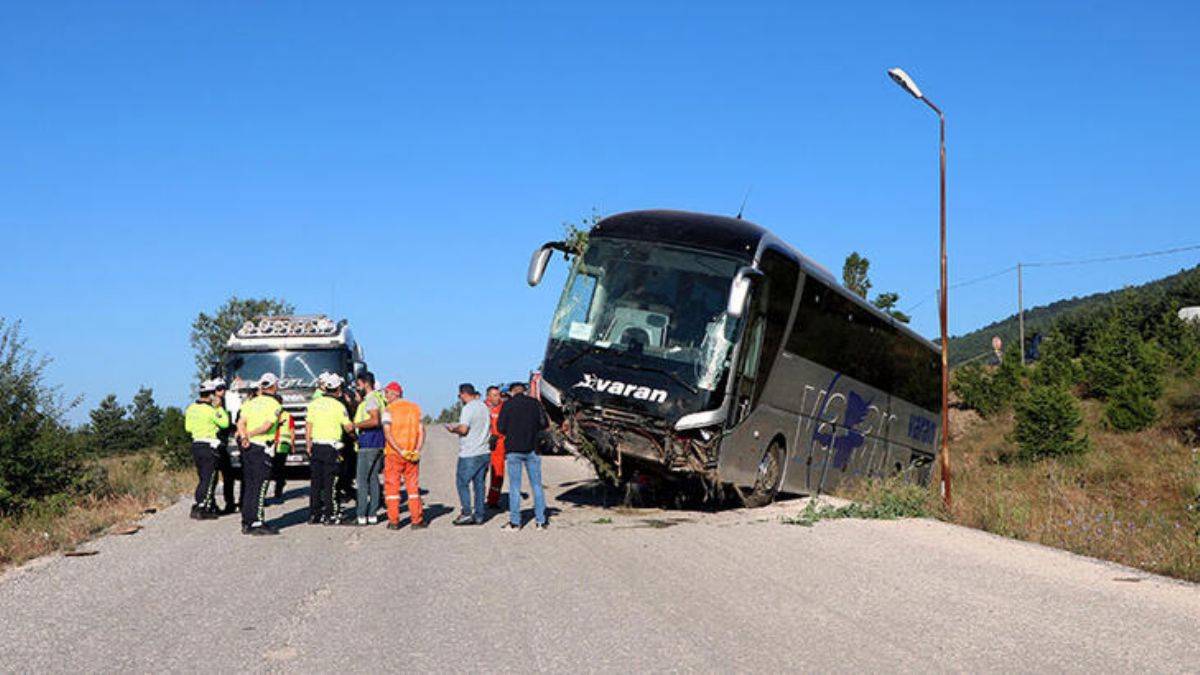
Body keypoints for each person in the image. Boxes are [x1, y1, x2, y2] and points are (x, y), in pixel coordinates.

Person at [235, 373, 285, 535]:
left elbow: (240, 422)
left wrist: (244, 436)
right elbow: (267, 425)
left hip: (248, 447)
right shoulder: (274, 405)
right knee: (260, 485)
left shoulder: (249, 403)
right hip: (261, 447)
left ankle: (247, 521)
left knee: (249, 485)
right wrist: (250, 435)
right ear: (274, 386)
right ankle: (257, 521)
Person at [497, 380, 549, 530]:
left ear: (512, 391)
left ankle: (515, 522)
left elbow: (500, 428)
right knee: (537, 486)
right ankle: (541, 521)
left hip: (514, 450)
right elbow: (544, 423)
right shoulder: (534, 404)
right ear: (524, 390)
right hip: (532, 448)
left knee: (514, 487)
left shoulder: (507, 405)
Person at [306, 372, 355, 525]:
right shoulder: (339, 406)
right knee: (331, 482)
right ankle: (331, 514)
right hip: (332, 448)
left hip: (316, 446)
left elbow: (308, 425)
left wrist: (309, 443)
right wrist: (355, 436)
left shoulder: (314, 404)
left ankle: (314, 514)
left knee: (316, 482)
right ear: (338, 389)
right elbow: (348, 427)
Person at [444, 383, 490, 525]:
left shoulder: (468, 408)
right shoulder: (483, 406)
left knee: (462, 483)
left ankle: (466, 513)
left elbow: (464, 429)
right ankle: (480, 514)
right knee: (479, 484)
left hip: (470, 452)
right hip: (484, 450)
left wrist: (453, 429)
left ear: (463, 394)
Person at [382, 381, 426, 530]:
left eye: (387, 393)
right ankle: (416, 520)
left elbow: (387, 433)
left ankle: (394, 521)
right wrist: (417, 450)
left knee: (392, 488)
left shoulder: (388, 410)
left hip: (394, 454)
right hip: (412, 453)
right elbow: (421, 431)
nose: (385, 396)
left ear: (395, 394)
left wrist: (400, 450)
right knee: (413, 488)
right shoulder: (415, 408)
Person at [185, 378, 230, 520]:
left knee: (203, 477)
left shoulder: (191, 408)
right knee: (210, 478)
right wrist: (219, 408)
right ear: (210, 394)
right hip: (209, 445)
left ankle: (203, 504)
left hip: (196, 444)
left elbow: (188, 428)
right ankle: (203, 506)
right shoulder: (211, 410)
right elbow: (224, 423)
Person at [352, 372, 387, 525]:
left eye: (358, 383)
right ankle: (373, 514)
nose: (356, 386)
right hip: (378, 443)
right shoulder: (379, 398)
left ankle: (361, 514)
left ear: (365, 383)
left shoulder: (371, 399)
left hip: (368, 443)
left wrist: (355, 425)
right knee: (373, 479)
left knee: (362, 480)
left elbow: (374, 420)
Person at [484, 385, 507, 509]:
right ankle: (479, 499)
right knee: (480, 473)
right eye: (495, 395)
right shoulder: (482, 407)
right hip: (483, 444)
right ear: (488, 396)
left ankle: (493, 499)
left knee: (498, 473)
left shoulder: (503, 407)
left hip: (499, 444)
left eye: (499, 395)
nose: (498, 398)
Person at [270, 402, 294, 502]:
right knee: (273, 467)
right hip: (272, 444)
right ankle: (280, 483)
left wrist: (292, 445)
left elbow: (292, 431)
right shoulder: (271, 414)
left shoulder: (288, 416)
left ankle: (278, 490)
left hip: (283, 444)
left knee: (279, 467)